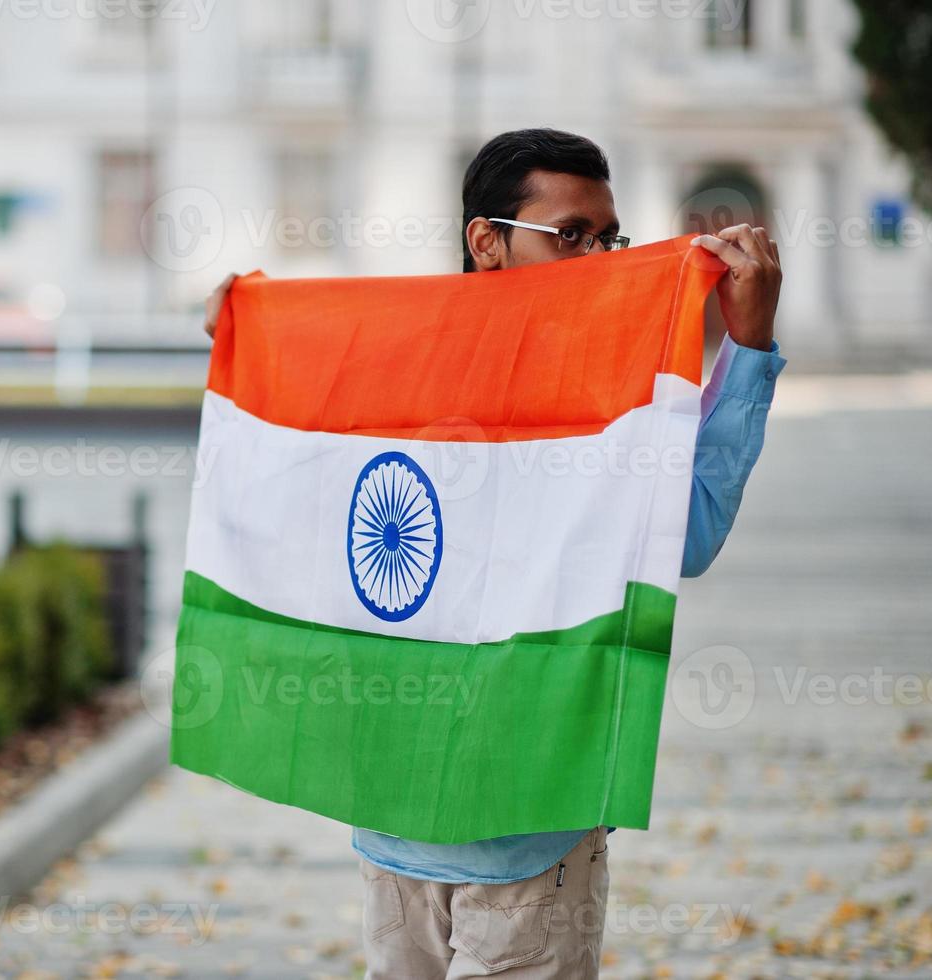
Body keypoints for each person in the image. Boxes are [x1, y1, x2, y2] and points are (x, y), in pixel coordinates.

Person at [201, 128, 785, 979]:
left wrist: (748, 345)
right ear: (486, 241)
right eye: (570, 235)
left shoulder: (603, 386)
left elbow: (679, 541)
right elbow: (293, 490)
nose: (596, 258)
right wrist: (246, 341)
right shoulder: (410, 366)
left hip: (521, 829)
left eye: (608, 238)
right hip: (404, 833)